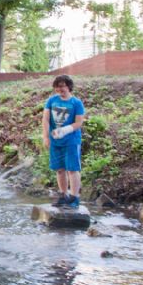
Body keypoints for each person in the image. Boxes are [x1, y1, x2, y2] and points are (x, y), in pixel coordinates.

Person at [42, 74, 86, 208]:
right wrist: (46, 136)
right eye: (57, 87)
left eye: (62, 86)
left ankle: (74, 197)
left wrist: (64, 130)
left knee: (72, 169)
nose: (59, 89)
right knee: (59, 169)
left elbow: (79, 123)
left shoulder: (76, 103)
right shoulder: (51, 100)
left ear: (68, 86)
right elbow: (45, 119)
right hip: (55, 141)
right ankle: (63, 195)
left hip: (71, 140)